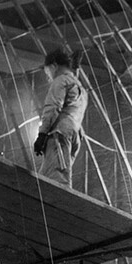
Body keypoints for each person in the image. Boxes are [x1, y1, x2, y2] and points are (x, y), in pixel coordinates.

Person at [33, 48, 88, 186]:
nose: (48, 77)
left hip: (60, 132)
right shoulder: (81, 88)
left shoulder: (61, 80)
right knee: (50, 173)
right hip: (74, 135)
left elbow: (53, 107)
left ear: (54, 66)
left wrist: (42, 134)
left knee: (55, 178)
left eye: (47, 72)